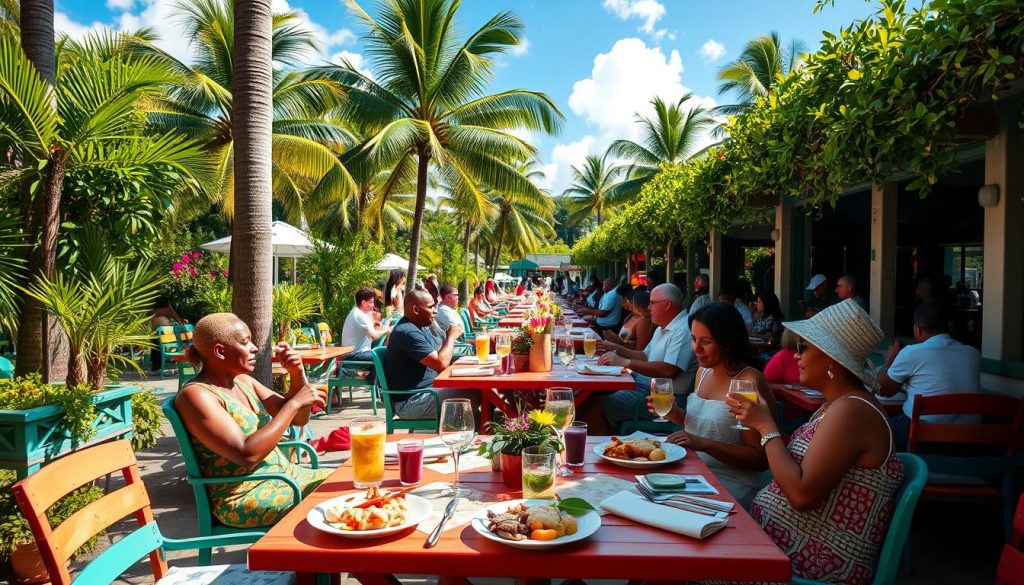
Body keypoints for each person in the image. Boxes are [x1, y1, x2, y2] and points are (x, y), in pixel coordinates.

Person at [729, 300, 904, 584]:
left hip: (807, 568)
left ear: (831, 358)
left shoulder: (852, 411)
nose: (794, 355)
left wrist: (765, 425)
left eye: (803, 347)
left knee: (680, 564)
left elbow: (801, 495)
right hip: (779, 549)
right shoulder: (836, 406)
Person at [174, 313, 330, 528]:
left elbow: (299, 420)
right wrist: (294, 403)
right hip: (244, 496)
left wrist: (296, 374)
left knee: (348, 482)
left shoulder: (243, 381)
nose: (255, 348)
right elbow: (248, 455)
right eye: (245, 342)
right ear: (220, 351)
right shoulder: (197, 396)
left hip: (285, 476)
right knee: (337, 498)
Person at [652, 302, 775, 505]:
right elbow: (706, 428)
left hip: (732, 485)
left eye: (706, 341)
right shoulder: (703, 372)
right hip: (696, 475)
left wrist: (705, 445)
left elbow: (759, 458)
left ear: (727, 342)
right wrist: (675, 414)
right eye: (693, 339)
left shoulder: (746, 383)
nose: (696, 349)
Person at [592, 284, 698, 434]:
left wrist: (625, 362)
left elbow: (669, 370)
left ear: (667, 304)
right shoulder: (664, 327)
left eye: (652, 303)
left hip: (661, 398)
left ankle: (605, 452)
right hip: (642, 387)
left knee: (592, 407)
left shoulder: (682, 330)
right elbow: (644, 355)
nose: (648, 307)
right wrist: (616, 349)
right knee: (594, 394)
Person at [876, 302, 981, 449]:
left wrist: (889, 360)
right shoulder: (973, 353)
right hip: (970, 441)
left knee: (874, 431)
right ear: (949, 327)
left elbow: (882, 389)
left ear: (917, 329)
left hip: (925, 439)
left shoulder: (912, 352)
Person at [385, 291, 479, 419]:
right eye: (430, 307)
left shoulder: (420, 327)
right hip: (412, 401)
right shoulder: (407, 332)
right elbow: (441, 364)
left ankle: (478, 426)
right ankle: (462, 430)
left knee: (477, 387)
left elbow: (440, 353)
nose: (435, 311)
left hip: (429, 391)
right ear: (416, 310)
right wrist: (451, 337)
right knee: (474, 392)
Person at [341, 287, 391, 361]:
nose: (373, 305)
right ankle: (378, 373)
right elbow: (375, 335)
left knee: (384, 353)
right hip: (355, 354)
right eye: (371, 302)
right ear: (363, 302)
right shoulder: (361, 316)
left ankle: (375, 372)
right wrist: (387, 330)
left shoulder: (356, 312)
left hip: (353, 353)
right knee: (388, 354)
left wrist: (372, 323)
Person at [150, 296, 184, 372]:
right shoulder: (161, 319)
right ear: (163, 308)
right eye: (168, 308)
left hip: (158, 347)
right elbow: (180, 325)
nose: (170, 310)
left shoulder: (155, 316)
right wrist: (174, 314)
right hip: (163, 347)